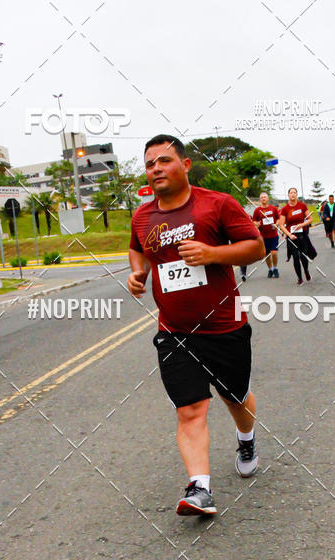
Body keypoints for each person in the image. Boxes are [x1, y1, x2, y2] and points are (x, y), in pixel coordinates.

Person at [128, 134, 265, 517]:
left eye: (165, 160)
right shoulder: (143, 216)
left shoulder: (217, 204)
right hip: (174, 331)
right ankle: (199, 489)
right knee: (190, 409)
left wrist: (212, 253)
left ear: (185, 165)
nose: (156, 168)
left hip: (224, 327)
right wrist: (138, 273)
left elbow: (256, 247)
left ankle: (247, 438)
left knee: (234, 397)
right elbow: (137, 248)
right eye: (150, 162)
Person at [239, 192, 280, 281]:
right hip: (263, 237)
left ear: (268, 199)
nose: (263, 198)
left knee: (274, 253)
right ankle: (270, 269)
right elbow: (254, 222)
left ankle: (275, 268)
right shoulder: (257, 210)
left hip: (273, 235)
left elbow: (279, 219)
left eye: (265, 197)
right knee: (266, 255)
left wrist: (276, 224)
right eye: (262, 197)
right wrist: (257, 224)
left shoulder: (273, 209)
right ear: (260, 199)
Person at [278, 187, 313, 284]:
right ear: (288, 195)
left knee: (303, 256)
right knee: (296, 257)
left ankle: (306, 270)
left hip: (302, 235)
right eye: (291, 193)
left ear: (297, 195)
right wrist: (289, 234)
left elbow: (310, 219)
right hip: (291, 236)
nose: (293, 194)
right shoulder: (285, 209)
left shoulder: (302, 206)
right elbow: (281, 224)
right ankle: (299, 278)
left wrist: (302, 224)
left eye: (294, 193)